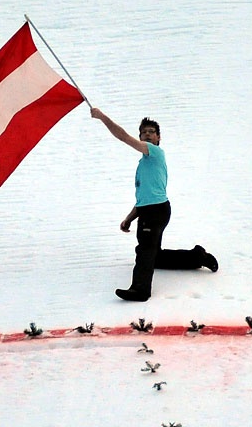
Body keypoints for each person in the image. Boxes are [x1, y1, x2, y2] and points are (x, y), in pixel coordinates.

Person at [91, 107, 218, 301]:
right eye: (144, 132)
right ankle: (197, 257)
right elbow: (144, 197)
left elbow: (123, 137)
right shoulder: (143, 164)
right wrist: (130, 217)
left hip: (156, 212)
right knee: (154, 256)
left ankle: (140, 290)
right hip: (152, 210)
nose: (148, 135)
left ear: (158, 138)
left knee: (145, 251)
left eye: (152, 132)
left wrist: (102, 117)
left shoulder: (155, 152)